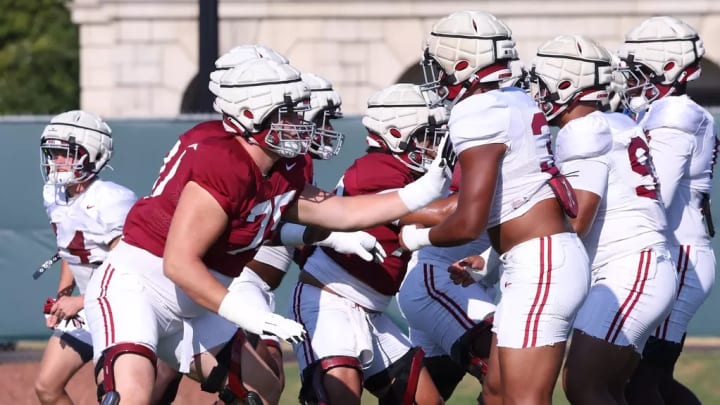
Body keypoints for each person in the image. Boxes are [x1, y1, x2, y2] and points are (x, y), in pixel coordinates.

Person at [83, 57, 451, 405]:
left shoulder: (280, 168)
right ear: (250, 115)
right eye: (288, 114)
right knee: (132, 393)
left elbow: (339, 211)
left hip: (195, 304)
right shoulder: (223, 162)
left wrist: (422, 191)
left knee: (262, 390)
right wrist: (249, 314)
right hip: (138, 289)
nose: (300, 123)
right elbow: (179, 263)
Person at [399, 11, 591, 405]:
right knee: (497, 393)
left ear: (463, 61)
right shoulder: (515, 99)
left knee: (522, 399)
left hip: (541, 264)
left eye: (440, 62)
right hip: (535, 260)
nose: (437, 73)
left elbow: (469, 221)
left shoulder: (478, 109)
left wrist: (414, 236)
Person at [530, 34, 677, 404]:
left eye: (543, 82)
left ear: (567, 84)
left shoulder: (583, 129)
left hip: (629, 268)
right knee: (610, 390)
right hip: (639, 265)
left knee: (582, 384)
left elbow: (577, 219)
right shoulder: (616, 123)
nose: (537, 92)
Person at [288, 83, 448, 405]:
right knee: (339, 395)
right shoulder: (377, 169)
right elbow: (433, 214)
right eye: (425, 135)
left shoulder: (409, 170)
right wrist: (488, 199)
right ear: (395, 132)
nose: (433, 145)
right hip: (330, 298)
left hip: (372, 309)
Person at [35, 110, 181, 405]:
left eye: (65, 153)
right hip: (88, 303)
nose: (55, 161)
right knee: (46, 387)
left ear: (92, 155)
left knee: (114, 394)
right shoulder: (54, 193)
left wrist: (79, 302)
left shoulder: (111, 201)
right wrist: (63, 294)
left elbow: (132, 262)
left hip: (122, 303)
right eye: (52, 153)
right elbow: (70, 248)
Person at [617, 16, 718, 405]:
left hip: (679, 256)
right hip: (676, 251)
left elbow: (655, 192)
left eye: (638, 71)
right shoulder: (662, 111)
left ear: (670, 68)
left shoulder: (676, 113)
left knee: (641, 385)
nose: (630, 80)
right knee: (650, 383)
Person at [227, 70, 346, 398]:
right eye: (323, 120)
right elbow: (264, 225)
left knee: (260, 385)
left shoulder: (300, 162)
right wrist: (327, 235)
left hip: (257, 285)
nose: (329, 131)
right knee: (268, 379)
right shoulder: (288, 161)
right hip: (240, 279)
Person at [397, 164, 498, 402]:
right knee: (505, 369)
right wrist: (399, 219)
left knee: (426, 397)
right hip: (441, 278)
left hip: (469, 284)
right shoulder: (486, 140)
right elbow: (460, 205)